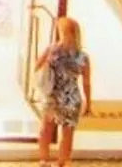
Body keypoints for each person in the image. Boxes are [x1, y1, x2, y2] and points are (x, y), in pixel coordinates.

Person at [35, 14, 92, 166]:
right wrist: (88, 102)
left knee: (46, 129)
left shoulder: (52, 50)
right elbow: (86, 83)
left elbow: (36, 67)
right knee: (67, 132)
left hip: (53, 95)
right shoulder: (82, 57)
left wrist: (47, 64)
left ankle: (44, 160)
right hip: (71, 97)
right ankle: (61, 161)